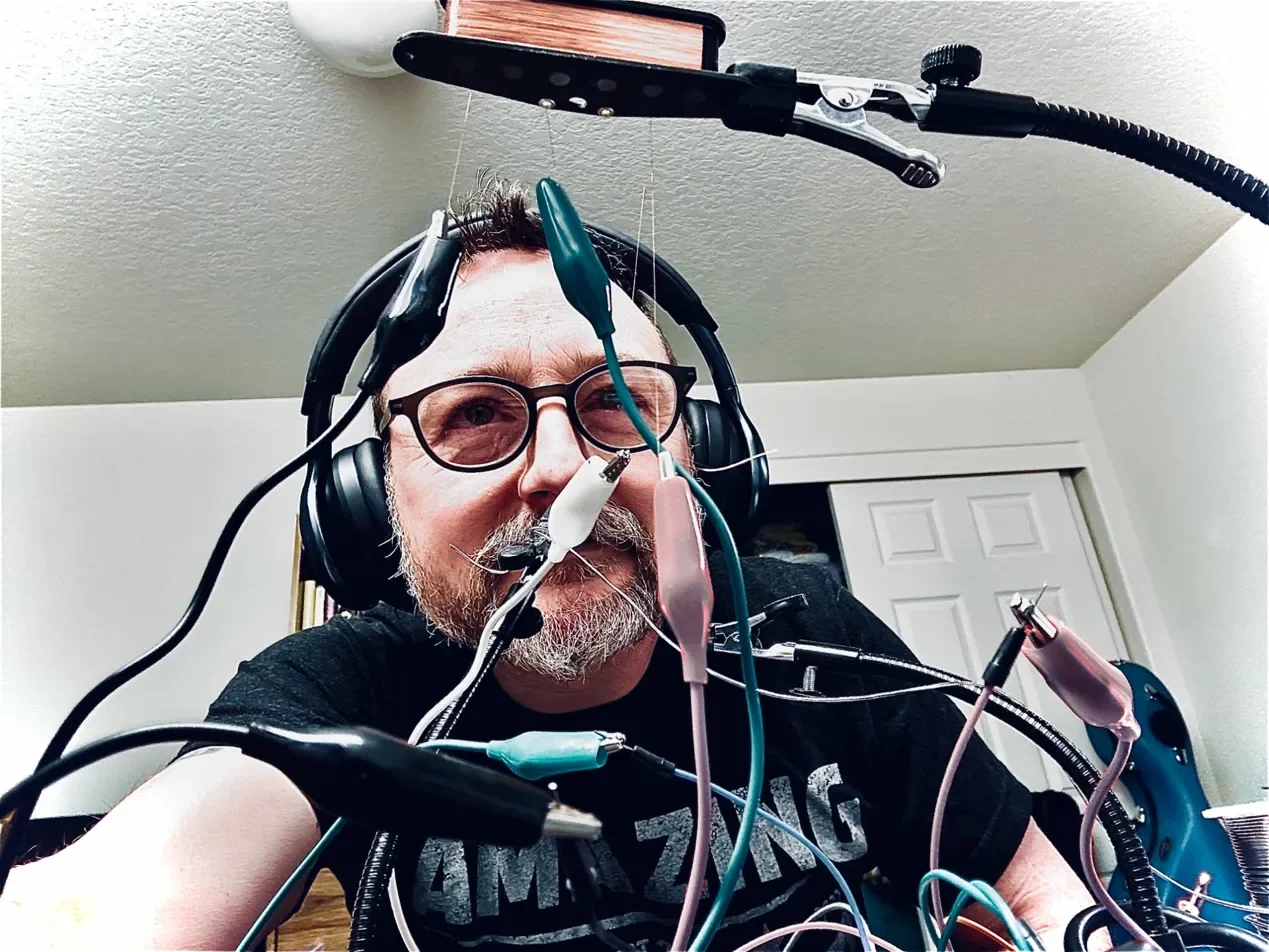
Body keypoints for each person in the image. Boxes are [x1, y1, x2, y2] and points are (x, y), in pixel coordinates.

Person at [0, 177, 1101, 951]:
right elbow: (103, 913)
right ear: (369, 496)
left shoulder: (814, 626)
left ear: (701, 453)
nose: (564, 470)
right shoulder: (338, 690)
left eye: (617, 401)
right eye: (475, 414)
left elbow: (1036, 891)